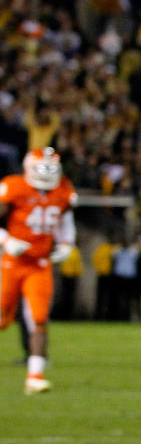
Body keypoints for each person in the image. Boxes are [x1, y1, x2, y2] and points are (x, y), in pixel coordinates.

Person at [0, 148, 76, 394]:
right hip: (12, 261)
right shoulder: (14, 187)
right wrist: (5, 241)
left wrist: (66, 244)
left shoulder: (63, 190)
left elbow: (66, 222)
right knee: (3, 317)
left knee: (39, 319)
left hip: (40, 264)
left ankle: (35, 375)